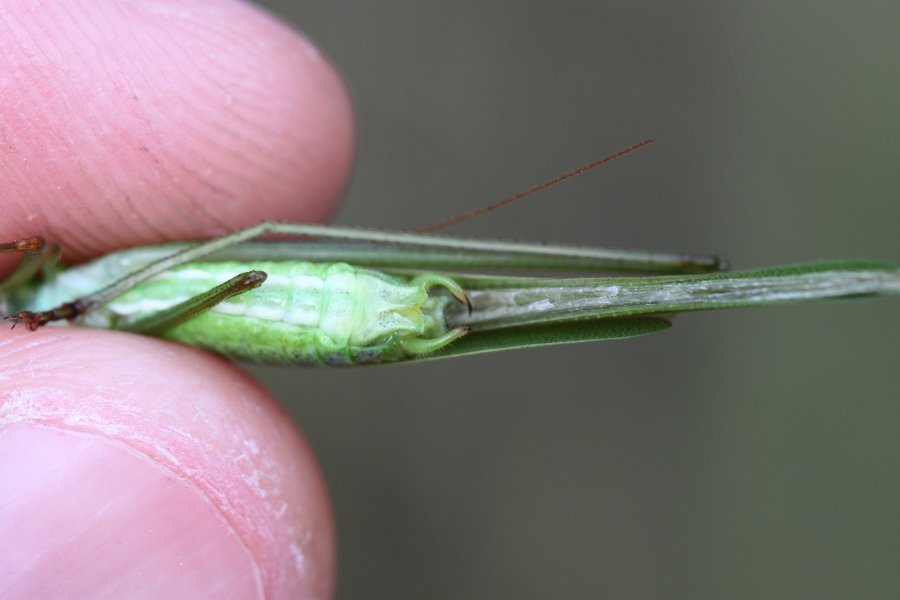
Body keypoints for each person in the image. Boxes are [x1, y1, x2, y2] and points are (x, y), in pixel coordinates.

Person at [0, 1, 353, 597]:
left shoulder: (34, 278)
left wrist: (54, 305)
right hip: (140, 305)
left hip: (112, 293)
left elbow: (42, 251)